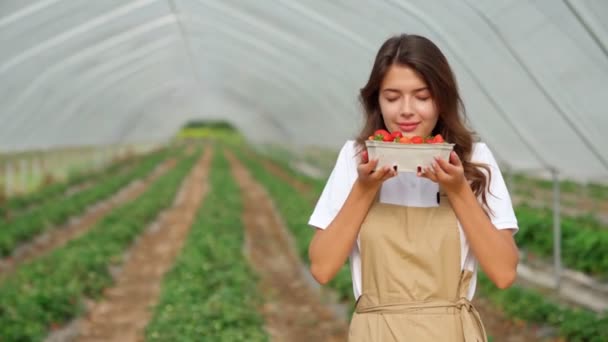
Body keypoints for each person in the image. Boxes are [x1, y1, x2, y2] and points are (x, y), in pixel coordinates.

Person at [307, 34, 519, 341]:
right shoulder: (355, 157)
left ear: (442, 98)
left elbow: (504, 273)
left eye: (422, 96)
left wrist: (459, 190)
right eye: (392, 97)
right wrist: (365, 189)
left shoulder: (473, 159)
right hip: (376, 332)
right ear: (376, 100)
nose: (406, 110)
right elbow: (322, 268)